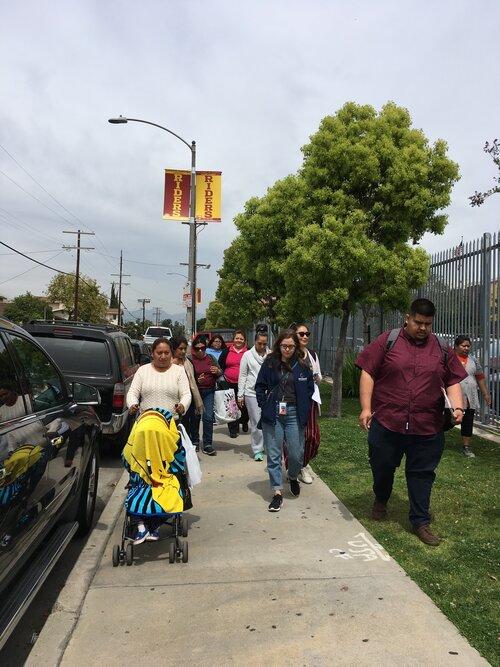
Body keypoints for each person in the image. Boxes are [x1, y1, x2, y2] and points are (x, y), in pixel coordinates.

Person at [356, 298, 467, 546]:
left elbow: (452, 380)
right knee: (382, 466)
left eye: (428, 323)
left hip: (427, 426)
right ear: (408, 317)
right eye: (418, 322)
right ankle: (381, 499)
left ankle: (420, 521)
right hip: (387, 422)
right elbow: (368, 372)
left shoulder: (441, 348)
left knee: (422, 474)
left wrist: (457, 406)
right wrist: (366, 408)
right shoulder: (388, 340)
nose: (423, 328)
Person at [255, 329, 315, 512]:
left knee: (297, 454)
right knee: (273, 455)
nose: (287, 349)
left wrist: (303, 406)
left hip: (294, 413)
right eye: (284, 346)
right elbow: (259, 386)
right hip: (273, 413)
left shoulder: (303, 365)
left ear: (296, 347)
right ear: (278, 345)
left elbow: (310, 389)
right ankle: (277, 493)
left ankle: (293, 475)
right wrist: (264, 403)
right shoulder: (270, 364)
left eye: (291, 346)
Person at [126, 337, 191, 419]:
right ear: (152, 354)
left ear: (171, 354)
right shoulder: (142, 370)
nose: (163, 356)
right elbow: (132, 393)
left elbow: (186, 394)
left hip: (171, 423)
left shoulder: (179, 371)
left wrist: (182, 405)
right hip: (146, 422)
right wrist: (132, 404)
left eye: (167, 353)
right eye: (159, 353)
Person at [293, 323, 322, 484]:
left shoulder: (312, 354)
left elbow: (319, 376)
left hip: (310, 399)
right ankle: (299, 467)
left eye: (307, 334)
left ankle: (304, 462)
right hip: (293, 401)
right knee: (296, 436)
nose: (305, 336)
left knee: (313, 436)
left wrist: (316, 377)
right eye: (301, 334)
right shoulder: (290, 354)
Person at [454, 335, 492, 458]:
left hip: (470, 397)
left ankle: (466, 446)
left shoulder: (474, 360)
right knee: (447, 420)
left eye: (468, 346)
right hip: (453, 397)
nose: (466, 348)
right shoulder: (450, 359)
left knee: (468, 421)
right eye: (463, 346)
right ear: (456, 346)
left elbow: (480, 377)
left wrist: (486, 393)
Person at [237, 331, 271, 461]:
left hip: (268, 393)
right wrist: (240, 395)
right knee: (256, 422)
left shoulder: (271, 355)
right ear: (255, 342)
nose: (262, 346)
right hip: (251, 393)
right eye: (259, 343)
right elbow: (243, 375)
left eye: (264, 344)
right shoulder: (247, 355)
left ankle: (269, 446)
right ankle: (257, 449)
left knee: (269, 421)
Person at [170, 336, 204, 451]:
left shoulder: (188, 362)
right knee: (179, 425)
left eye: (185, 349)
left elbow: (192, 380)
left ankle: (192, 444)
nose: (183, 351)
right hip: (174, 400)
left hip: (189, 398)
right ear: (173, 349)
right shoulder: (168, 364)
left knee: (192, 422)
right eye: (180, 349)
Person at [190, 334, 222, 456]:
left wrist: (217, 371)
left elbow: (220, 372)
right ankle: (195, 442)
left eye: (202, 348)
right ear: (193, 348)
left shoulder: (211, 358)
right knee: (195, 418)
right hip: (195, 393)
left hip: (209, 391)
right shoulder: (190, 360)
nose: (200, 351)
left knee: (208, 417)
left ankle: (208, 443)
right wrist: (197, 380)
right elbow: (187, 377)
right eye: (197, 348)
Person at [219, 329, 249, 437]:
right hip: (228, 382)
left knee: (243, 407)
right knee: (231, 406)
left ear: (245, 340)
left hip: (244, 384)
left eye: (241, 339)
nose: (239, 340)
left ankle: (244, 421)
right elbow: (220, 365)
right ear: (233, 339)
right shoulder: (226, 351)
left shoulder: (248, 352)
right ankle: (233, 429)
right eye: (237, 338)